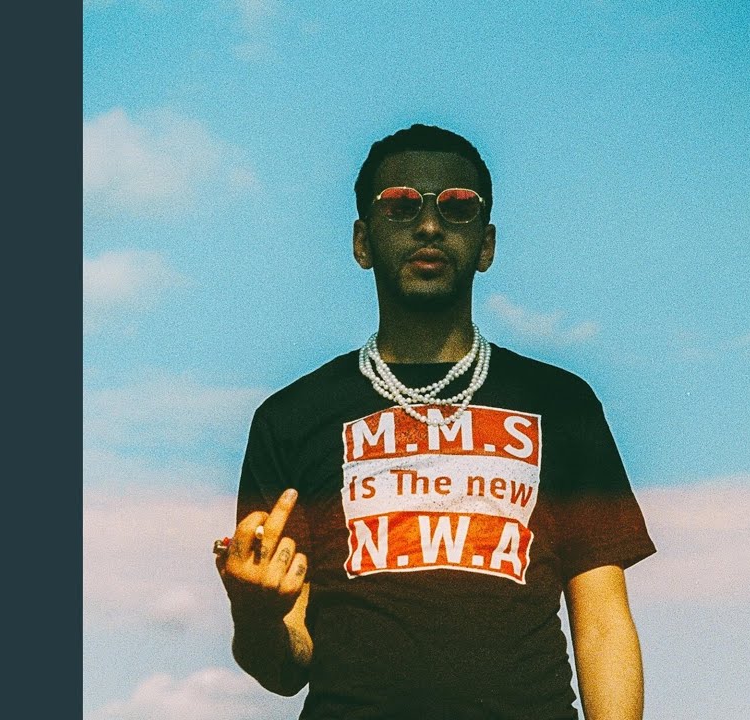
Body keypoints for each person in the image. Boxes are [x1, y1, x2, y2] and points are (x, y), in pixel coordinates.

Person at [214, 123, 656, 719]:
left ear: (486, 244)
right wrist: (254, 614)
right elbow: (285, 667)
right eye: (400, 206)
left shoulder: (562, 405)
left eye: (457, 206)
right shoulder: (291, 419)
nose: (428, 225)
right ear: (362, 242)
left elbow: (602, 621)